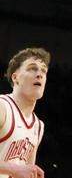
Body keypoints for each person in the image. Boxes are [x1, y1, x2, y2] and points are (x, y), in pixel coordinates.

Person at [1, 48, 48, 178]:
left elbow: (26, 172)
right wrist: (14, 169)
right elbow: (17, 171)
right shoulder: (3, 107)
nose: (40, 74)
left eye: (44, 70)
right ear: (15, 78)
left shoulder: (38, 126)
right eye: (32, 68)